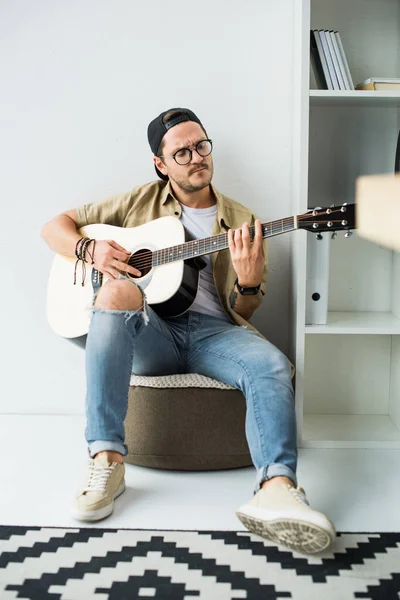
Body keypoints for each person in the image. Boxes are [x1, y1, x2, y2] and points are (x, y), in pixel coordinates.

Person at [41, 107, 335, 555]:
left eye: (202, 146)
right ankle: (106, 460)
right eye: (182, 152)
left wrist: (250, 280)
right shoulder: (137, 202)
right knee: (118, 291)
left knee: (272, 363)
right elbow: (53, 227)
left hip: (216, 335)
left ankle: (277, 488)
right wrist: (91, 248)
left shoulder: (242, 218)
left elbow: (246, 309)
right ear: (161, 165)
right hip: (152, 333)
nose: (197, 157)